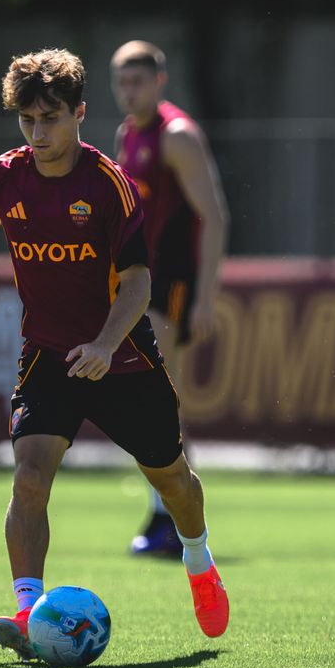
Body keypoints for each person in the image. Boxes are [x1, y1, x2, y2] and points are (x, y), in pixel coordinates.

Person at [0, 47, 229, 660]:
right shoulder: (6, 173)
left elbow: (137, 283)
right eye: (27, 121)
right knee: (28, 480)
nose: (38, 133)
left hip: (121, 354)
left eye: (50, 118)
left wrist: (105, 344)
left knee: (174, 480)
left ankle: (199, 562)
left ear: (79, 113)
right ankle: (27, 612)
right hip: (48, 355)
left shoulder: (108, 185)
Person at [110, 41, 230, 558]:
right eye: (122, 81)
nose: (129, 90)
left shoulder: (176, 136)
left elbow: (215, 215)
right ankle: (169, 514)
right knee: (152, 402)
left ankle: (171, 519)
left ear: (159, 82)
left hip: (173, 286)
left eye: (138, 81)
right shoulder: (127, 135)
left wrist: (205, 297)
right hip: (141, 285)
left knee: (160, 399)